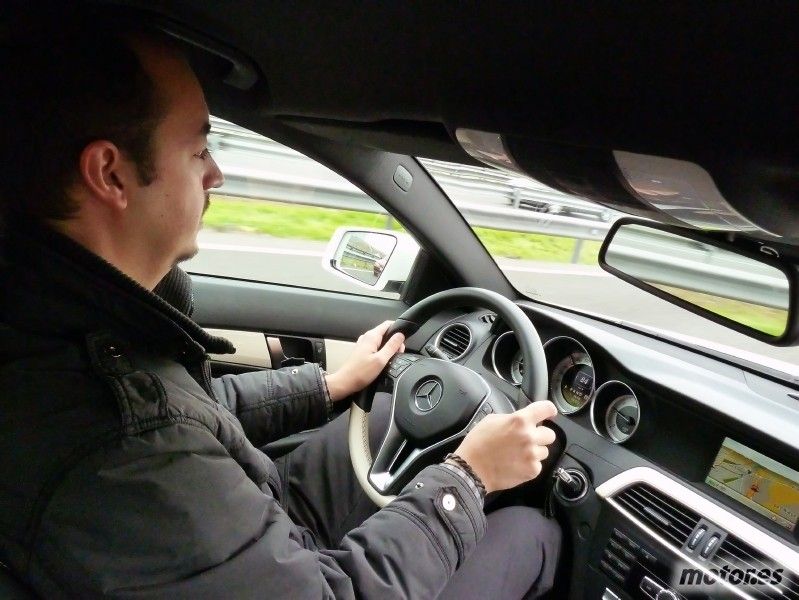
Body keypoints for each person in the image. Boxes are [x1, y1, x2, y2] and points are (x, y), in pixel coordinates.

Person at [0, 9, 561, 599]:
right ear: (110, 174)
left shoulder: (61, 323)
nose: (215, 174)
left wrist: (327, 386)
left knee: (368, 422)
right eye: (198, 151)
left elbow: (193, 408)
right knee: (531, 532)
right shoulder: (115, 442)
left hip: (241, 530)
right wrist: (466, 480)